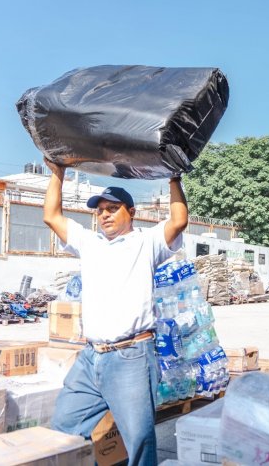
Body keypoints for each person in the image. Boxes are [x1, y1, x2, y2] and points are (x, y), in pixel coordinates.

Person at [43, 158, 189, 465]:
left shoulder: (146, 242)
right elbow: (52, 216)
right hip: (90, 359)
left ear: (131, 212)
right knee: (63, 429)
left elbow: (177, 221)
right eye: (100, 210)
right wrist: (58, 172)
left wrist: (173, 177)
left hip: (130, 357)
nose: (104, 215)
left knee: (139, 441)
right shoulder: (89, 243)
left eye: (112, 208)